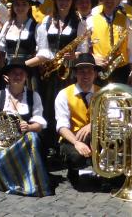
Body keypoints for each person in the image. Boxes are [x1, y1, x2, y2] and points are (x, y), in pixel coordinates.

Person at [0, 60, 52, 197]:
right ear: (8, 76)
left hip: (25, 145)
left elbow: (40, 124)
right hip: (3, 145)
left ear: (26, 77)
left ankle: (34, 183)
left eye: (21, 73)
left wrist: (29, 126)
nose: (17, 76)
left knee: (33, 136)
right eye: (14, 73)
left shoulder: (33, 96)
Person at [29, 0, 87, 148]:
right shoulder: (47, 21)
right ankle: (48, 144)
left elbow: (83, 50)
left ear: (72, 2)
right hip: (49, 70)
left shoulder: (79, 24)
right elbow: (42, 48)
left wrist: (74, 55)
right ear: (55, 1)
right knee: (47, 106)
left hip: (68, 72)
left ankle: (64, 144)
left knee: (67, 107)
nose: (64, 2)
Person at [54, 54, 105, 189]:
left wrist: (93, 125)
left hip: (99, 136)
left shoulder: (104, 93)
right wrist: (77, 143)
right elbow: (61, 126)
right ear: (75, 74)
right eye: (81, 71)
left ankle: (105, 173)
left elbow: (113, 118)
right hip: (73, 138)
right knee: (76, 157)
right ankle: (73, 170)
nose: (85, 75)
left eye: (89, 71)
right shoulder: (64, 94)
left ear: (95, 74)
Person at [88, 0, 132, 84]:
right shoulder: (91, 20)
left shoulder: (126, 19)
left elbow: (130, 47)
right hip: (100, 68)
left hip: (121, 69)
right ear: (101, 0)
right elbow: (85, 46)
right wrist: (93, 58)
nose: (109, 0)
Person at [0, 0, 38, 66]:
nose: (20, 8)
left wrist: (22, 66)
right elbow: (1, 53)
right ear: (13, 6)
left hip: (28, 69)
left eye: (24, 4)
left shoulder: (36, 26)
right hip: (9, 70)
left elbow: (39, 54)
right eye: (17, 4)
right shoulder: (7, 25)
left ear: (29, 6)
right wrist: (3, 70)